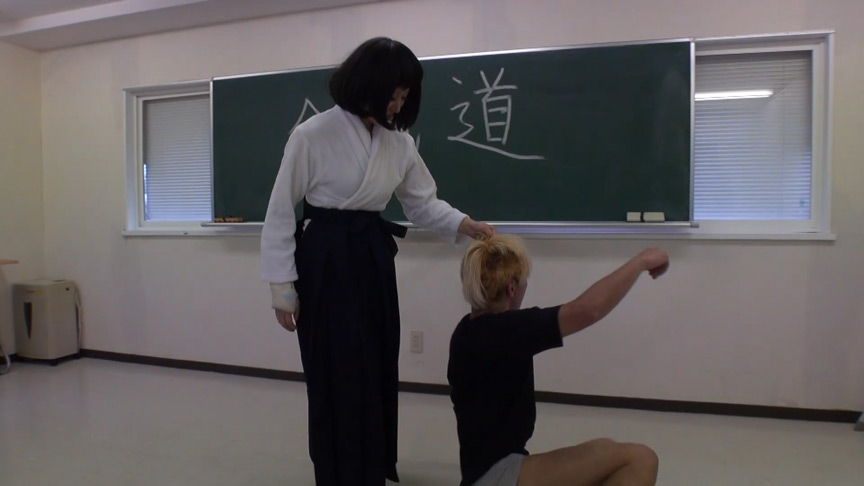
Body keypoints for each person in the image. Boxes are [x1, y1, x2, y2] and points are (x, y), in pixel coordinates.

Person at [261, 37, 495, 486]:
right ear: (367, 85)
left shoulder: (398, 143)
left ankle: (372, 466)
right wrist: (281, 288)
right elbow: (279, 211)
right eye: (394, 94)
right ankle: (337, 470)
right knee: (334, 366)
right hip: (324, 258)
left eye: (405, 97)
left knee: (377, 360)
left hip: (371, 257)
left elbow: (422, 202)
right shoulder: (311, 134)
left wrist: (465, 224)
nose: (398, 105)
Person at [448, 235, 669, 486]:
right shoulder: (502, 331)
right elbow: (587, 310)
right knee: (640, 459)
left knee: (604, 448)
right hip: (496, 475)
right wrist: (642, 261)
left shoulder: (469, 330)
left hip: (494, 467)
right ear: (512, 287)